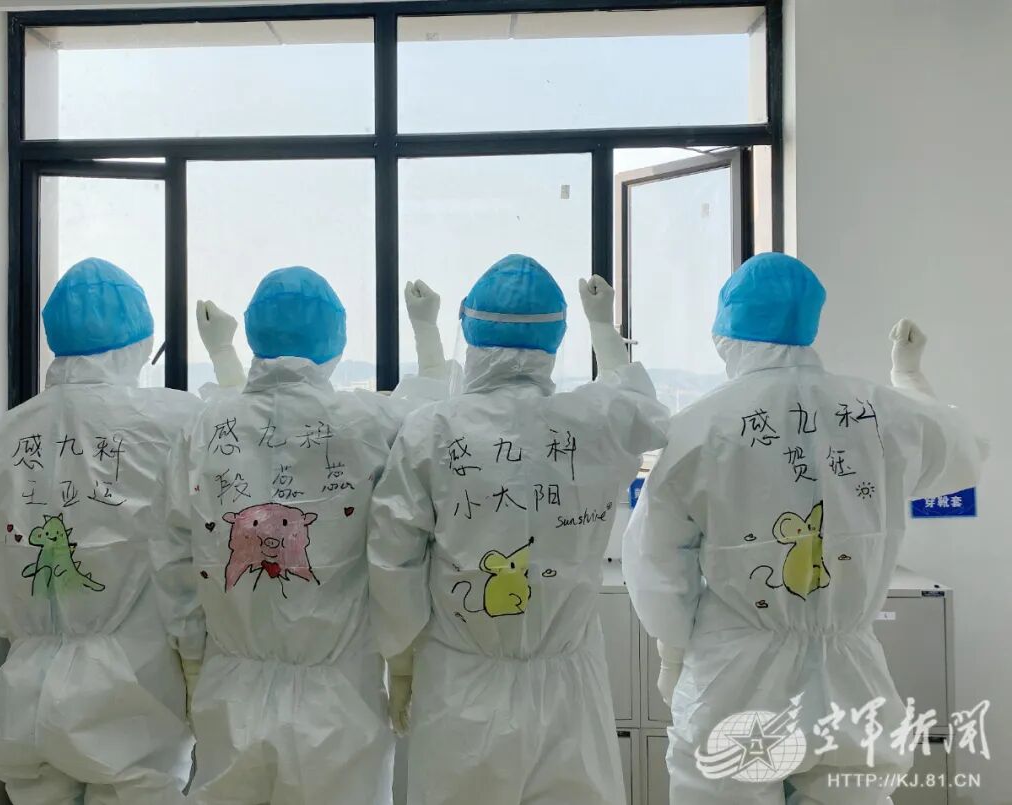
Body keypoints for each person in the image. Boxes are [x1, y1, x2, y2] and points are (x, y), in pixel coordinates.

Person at [622, 252, 984, 805]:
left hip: (736, 682)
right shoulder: (880, 412)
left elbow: (658, 566)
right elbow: (960, 451)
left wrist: (673, 655)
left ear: (725, 332)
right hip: (850, 679)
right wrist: (908, 379)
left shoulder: (699, 427)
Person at [368, 254, 670, 805]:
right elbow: (647, 414)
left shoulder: (434, 429)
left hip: (461, 688)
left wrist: (401, 662)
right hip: (568, 689)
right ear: (556, 338)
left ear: (470, 331)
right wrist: (605, 331)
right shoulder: (594, 420)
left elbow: (394, 561)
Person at [157, 266, 449, 805]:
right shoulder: (372, 423)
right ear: (336, 336)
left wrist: (193, 662)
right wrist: (427, 335)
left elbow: (177, 558)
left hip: (230, 692)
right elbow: (433, 422)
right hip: (338, 705)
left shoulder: (202, 428)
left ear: (253, 332)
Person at [0, 257, 199, 805]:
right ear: (139, 343)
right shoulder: (171, 422)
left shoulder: (3, 435)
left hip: (27, 691)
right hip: (133, 695)